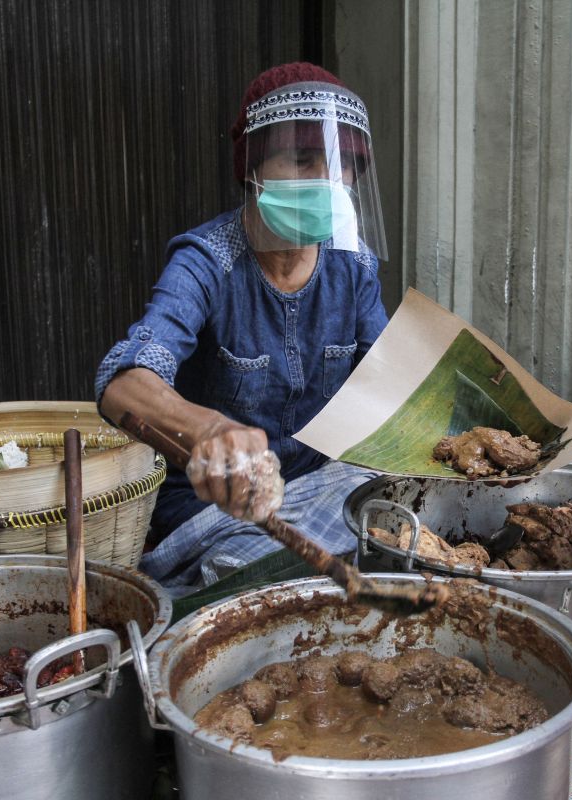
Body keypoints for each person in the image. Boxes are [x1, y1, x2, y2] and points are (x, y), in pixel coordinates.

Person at [96, 63, 389, 596]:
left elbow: (388, 389)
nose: (327, 181)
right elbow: (121, 383)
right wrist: (209, 431)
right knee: (272, 581)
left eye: (342, 165)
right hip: (218, 512)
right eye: (303, 160)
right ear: (253, 166)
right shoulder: (205, 263)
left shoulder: (355, 268)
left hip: (325, 491)